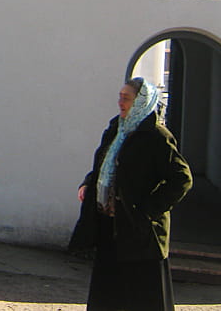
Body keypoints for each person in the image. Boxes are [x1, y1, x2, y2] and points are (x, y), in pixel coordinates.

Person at [68, 77, 193, 311]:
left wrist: (147, 210)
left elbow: (182, 179)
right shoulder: (117, 128)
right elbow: (104, 165)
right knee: (108, 296)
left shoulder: (157, 136)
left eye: (126, 98)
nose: (120, 102)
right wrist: (90, 184)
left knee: (142, 299)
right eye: (119, 97)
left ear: (141, 102)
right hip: (111, 228)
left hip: (140, 235)